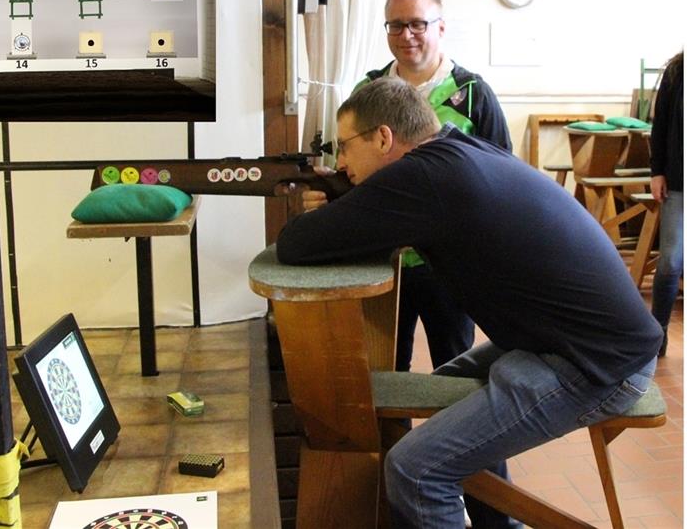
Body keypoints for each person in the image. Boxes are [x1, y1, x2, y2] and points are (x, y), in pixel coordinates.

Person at [277, 77, 661, 529]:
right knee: (439, 395)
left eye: (344, 147)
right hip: (576, 343)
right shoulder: (459, 150)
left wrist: (322, 208)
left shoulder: (421, 177)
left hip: (598, 366)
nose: (341, 163)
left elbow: (295, 244)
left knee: (415, 469)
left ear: (383, 137)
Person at [305, 0, 512, 373]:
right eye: (395, 26)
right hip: (382, 259)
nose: (406, 36)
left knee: (456, 369)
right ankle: (392, 437)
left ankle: (452, 436)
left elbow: (499, 179)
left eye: (417, 24)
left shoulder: (472, 93)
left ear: (440, 27)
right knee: (382, 368)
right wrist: (325, 198)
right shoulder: (367, 90)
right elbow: (347, 170)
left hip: (450, 265)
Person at [649, 50, 684, 357]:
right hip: (679, 181)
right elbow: (659, 125)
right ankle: (656, 334)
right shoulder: (676, 71)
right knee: (671, 261)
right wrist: (657, 171)